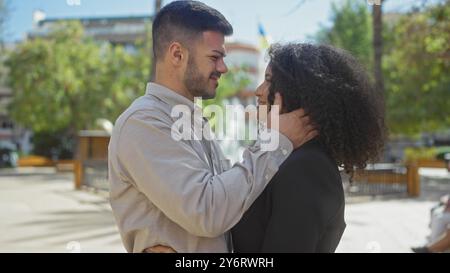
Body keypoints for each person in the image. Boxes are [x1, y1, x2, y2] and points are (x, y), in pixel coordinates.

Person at [108, 1, 316, 253]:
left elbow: (232, 198)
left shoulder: (189, 120)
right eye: (215, 57)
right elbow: (208, 212)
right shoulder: (144, 122)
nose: (223, 68)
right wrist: (276, 141)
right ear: (177, 54)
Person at [231, 43, 386, 253]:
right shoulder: (294, 158)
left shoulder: (306, 167)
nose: (258, 91)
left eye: (269, 81)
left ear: (298, 92)